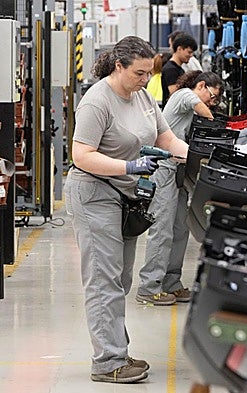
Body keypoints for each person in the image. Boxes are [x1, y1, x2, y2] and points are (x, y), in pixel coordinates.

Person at [64, 36, 190, 384]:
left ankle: (115, 347)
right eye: (138, 73)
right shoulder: (97, 101)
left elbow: (165, 138)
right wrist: (130, 167)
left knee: (120, 279)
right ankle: (108, 361)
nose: (143, 79)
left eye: (148, 73)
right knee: (104, 279)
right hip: (94, 194)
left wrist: (194, 156)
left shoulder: (144, 96)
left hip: (125, 198)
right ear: (118, 66)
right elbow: (81, 155)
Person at [137, 70, 223, 306]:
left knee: (179, 229)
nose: (212, 103)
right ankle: (148, 287)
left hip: (180, 171)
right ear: (202, 85)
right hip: (164, 169)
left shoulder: (189, 101)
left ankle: (171, 283)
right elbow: (198, 105)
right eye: (212, 96)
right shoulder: (184, 94)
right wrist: (213, 117)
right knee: (161, 229)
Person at [161, 33, 198, 107]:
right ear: (179, 49)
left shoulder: (179, 69)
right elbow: (176, 94)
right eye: (189, 52)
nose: (191, 55)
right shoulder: (171, 69)